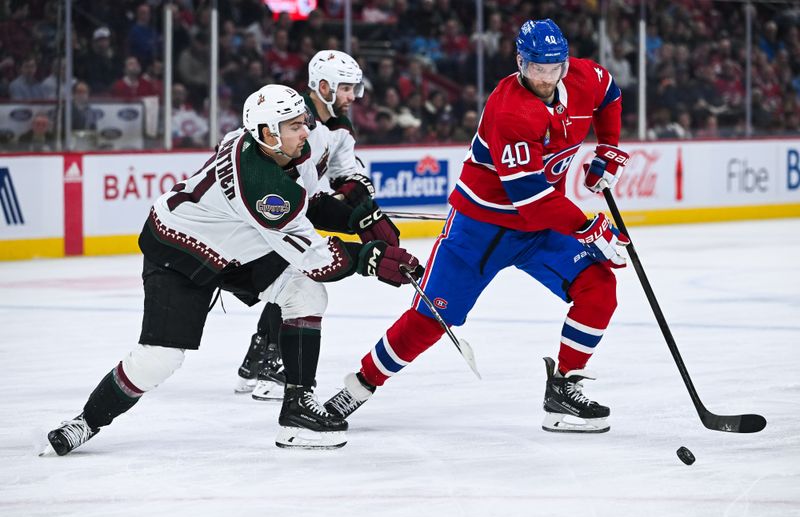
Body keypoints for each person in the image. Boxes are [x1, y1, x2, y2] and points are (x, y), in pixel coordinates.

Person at [43, 84, 422, 454]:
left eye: (303, 121)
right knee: (160, 359)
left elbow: (309, 201)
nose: (305, 130)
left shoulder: (286, 151)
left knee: (304, 294)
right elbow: (317, 259)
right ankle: (85, 421)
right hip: (181, 250)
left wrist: (359, 216)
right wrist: (370, 259)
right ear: (266, 134)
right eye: (294, 125)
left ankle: (297, 411)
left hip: (238, 241)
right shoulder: (262, 188)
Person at [324, 18, 631, 434]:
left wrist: (609, 148)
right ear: (521, 63)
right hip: (479, 232)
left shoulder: (581, 75)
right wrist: (590, 228)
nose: (545, 77)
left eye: (553, 68)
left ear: (564, 62)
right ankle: (358, 387)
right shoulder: (510, 110)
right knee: (430, 318)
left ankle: (563, 390)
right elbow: (533, 200)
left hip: (538, 231)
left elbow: (609, 91)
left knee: (599, 288)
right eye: (536, 68)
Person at [235, 50, 402, 402]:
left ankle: (258, 359)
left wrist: (355, 189)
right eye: (345, 88)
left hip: (305, 208)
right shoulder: (291, 119)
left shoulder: (340, 127)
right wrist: (330, 199)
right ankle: (270, 363)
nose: (352, 96)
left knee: (291, 280)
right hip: (274, 212)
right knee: (291, 278)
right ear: (323, 86)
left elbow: (346, 170)